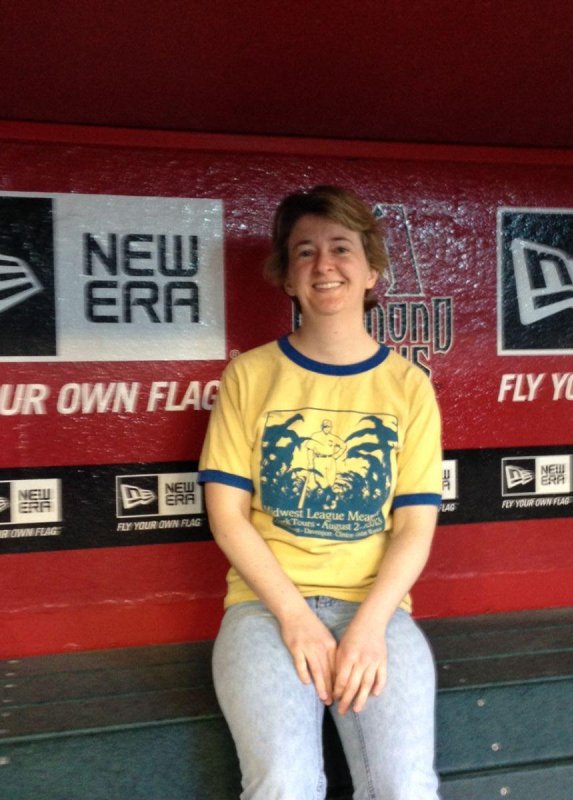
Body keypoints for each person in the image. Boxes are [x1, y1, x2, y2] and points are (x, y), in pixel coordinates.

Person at [198, 185, 443, 799]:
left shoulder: (408, 386)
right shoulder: (250, 375)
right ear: (287, 277)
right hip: (264, 609)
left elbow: (415, 527)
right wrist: (296, 618)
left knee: (406, 787)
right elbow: (227, 516)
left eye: (341, 248)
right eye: (304, 252)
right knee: (285, 785)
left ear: (372, 270)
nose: (323, 264)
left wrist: (369, 626)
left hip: (376, 608)